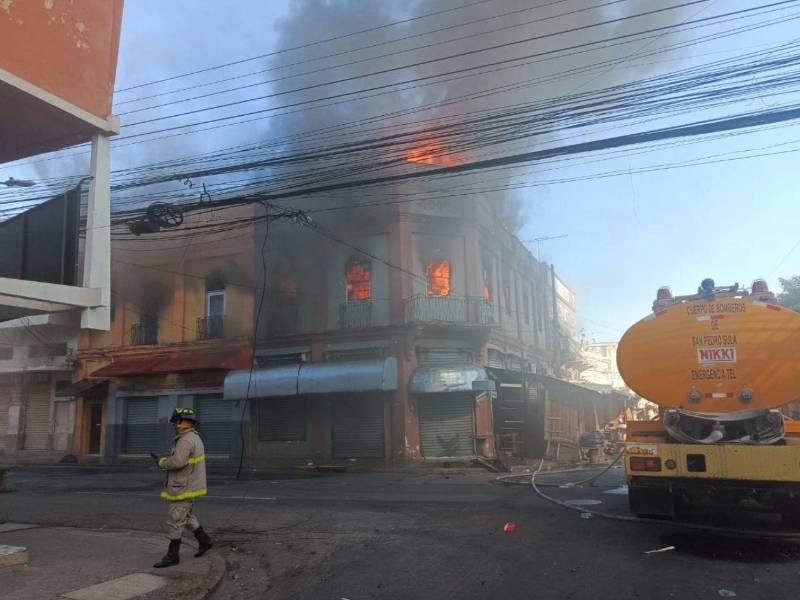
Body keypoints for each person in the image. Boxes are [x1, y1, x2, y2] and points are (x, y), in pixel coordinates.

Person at [153, 407, 213, 568]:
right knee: (186, 516)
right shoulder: (195, 438)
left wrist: (162, 462)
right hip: (190, 484)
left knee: (175, 519)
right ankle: (205, 541)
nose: (174, 425)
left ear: (181, 422)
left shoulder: (185, 440)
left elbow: (178, 462)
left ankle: (173, 556)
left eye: (176, 422)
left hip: (183, 486)